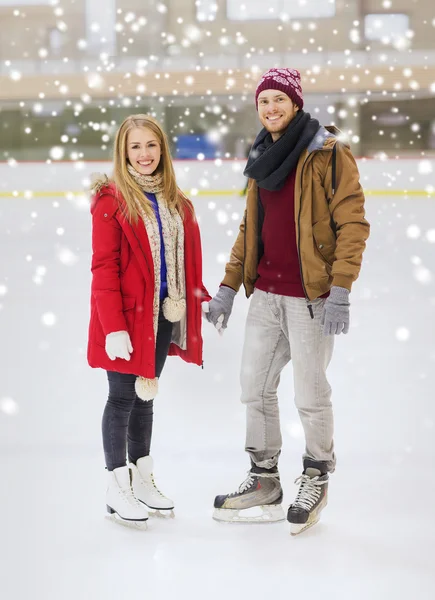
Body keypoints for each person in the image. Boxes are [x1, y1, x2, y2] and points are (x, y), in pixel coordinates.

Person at [203, 68, 370, 534]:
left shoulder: (328, 154)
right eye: (264, 102)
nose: (271, 108)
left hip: (311, 299)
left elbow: (352, 226)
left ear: (295, 103)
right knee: (253, 388)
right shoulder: (262, 156)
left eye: (279, 99)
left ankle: (316, 474)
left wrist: (340, 290)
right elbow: (249, 231)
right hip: (267, 297)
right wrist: (227, 288)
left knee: (311, 395)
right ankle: (264, 479)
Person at [88, 114, 210, 528]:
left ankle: (142, 479)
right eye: (135, 146)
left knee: (145, 396)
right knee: (121, 398)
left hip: (161, 316)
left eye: (151, 145)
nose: (144, 154)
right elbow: (104, 267)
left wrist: (198, 301)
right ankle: (115, 486)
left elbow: (186, 261)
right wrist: (113, 326)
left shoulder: (176, 200)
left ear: (163, 149)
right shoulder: (112, 200)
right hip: (126, 319)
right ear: (124, 151)